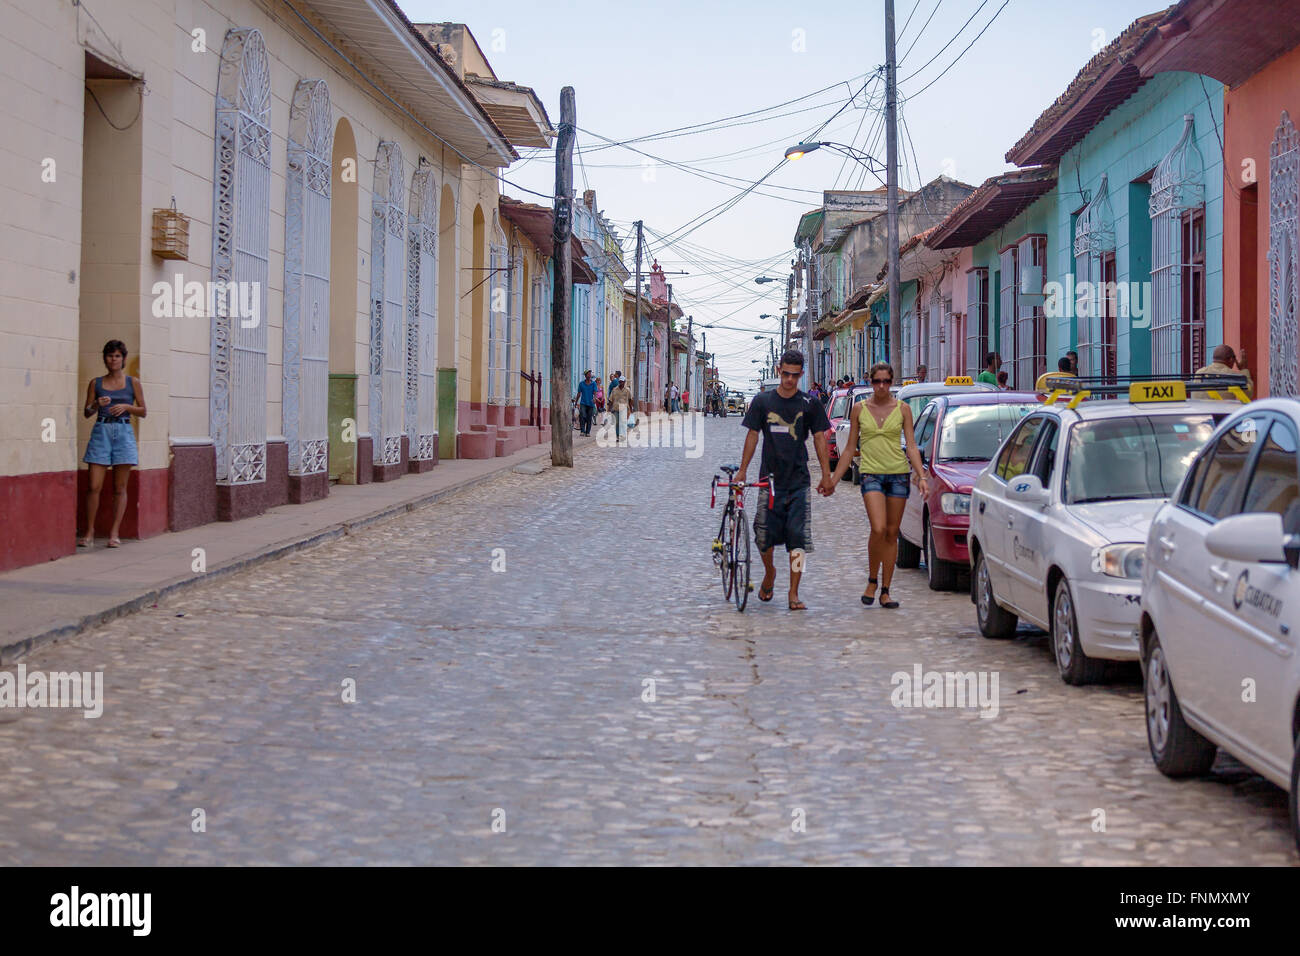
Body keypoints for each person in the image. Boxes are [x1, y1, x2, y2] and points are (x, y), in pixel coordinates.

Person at [737, 350, 834, 612]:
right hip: (769, 480)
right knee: (763, 538)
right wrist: (743, 470)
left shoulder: (809, 404)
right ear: (779, 370)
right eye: (785, 374)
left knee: (798, 541)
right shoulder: (762, 401)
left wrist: (826, 475)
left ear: (801, 374)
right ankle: (769, 573)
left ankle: (794, 592)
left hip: (799, 481)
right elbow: (753, 436)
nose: (790, 379)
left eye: (795, 375)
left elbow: (819, 439)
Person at [828, 362, 928, 610]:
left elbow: (912, 446)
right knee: (878, 527)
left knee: (892, 533)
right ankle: (871, 580)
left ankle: (885, 590)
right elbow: (850, 448)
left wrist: (921, 474)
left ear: (891, 382)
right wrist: (833, 479)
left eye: (886, 381)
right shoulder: (859, 409)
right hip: (871, 473)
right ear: (871, 382)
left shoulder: (903, 409)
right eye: (877, 381)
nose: (881, 386)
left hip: (898, 474)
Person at [80, 339, 146, 548]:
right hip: (102, 430)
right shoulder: (96, 383)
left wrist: (127, 407)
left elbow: (144, 411)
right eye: (110, 356)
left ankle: (114, 532)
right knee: (93, 485)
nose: (113, 359)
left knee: (120, 486)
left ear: (123, 359)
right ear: (105, 359)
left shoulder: (132, 382)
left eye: (117, 356)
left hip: (124, 430)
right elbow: (87, 413)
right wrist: (95, 404)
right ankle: (89, 532)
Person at [607, 376, 633, 445]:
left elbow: (630, 400)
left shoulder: (627, 390)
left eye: (622, 381)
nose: (621, 383)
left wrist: (631, 408)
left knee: (623, 423)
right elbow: (610, 400)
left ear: (624, 382)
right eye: (620, 381)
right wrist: (609, 409)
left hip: (624, 408)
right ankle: (618, 436)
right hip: (616, 408)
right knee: (617, 423)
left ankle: (623, 436)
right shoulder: (614, 389)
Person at [576, 370, 598, 436]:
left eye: (590, 374)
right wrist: (576, 402)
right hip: (583, 403)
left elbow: (595, 392)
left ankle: (588, 432)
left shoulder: (593, 383)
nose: (589, 375)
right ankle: (582, 431)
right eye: (588, 374)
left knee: (589, 417)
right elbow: (579, 393)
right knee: (582, 416)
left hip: (591, 403)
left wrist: (594, 398)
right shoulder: (581, 384)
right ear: (585, 376)